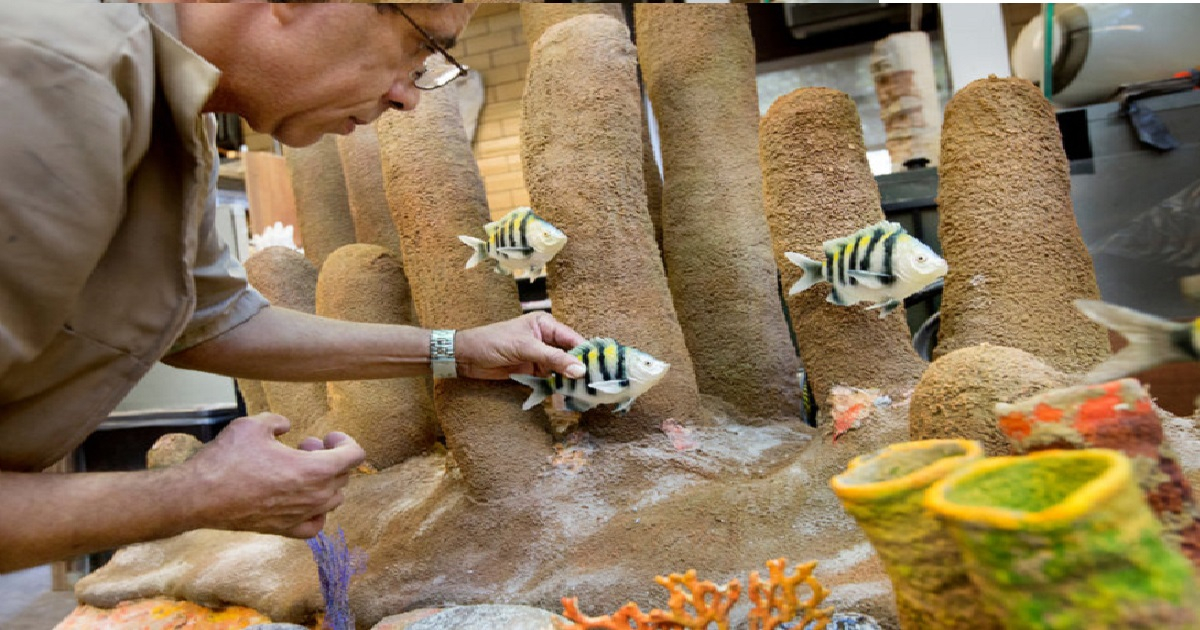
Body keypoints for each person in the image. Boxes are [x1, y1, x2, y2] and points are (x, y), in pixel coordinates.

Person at [0, 2, 588, 573]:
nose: (407, 95)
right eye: (421, 45)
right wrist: (197, 493)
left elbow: (216, 322)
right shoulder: (58, 75)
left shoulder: (177, 110)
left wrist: (456, 349)